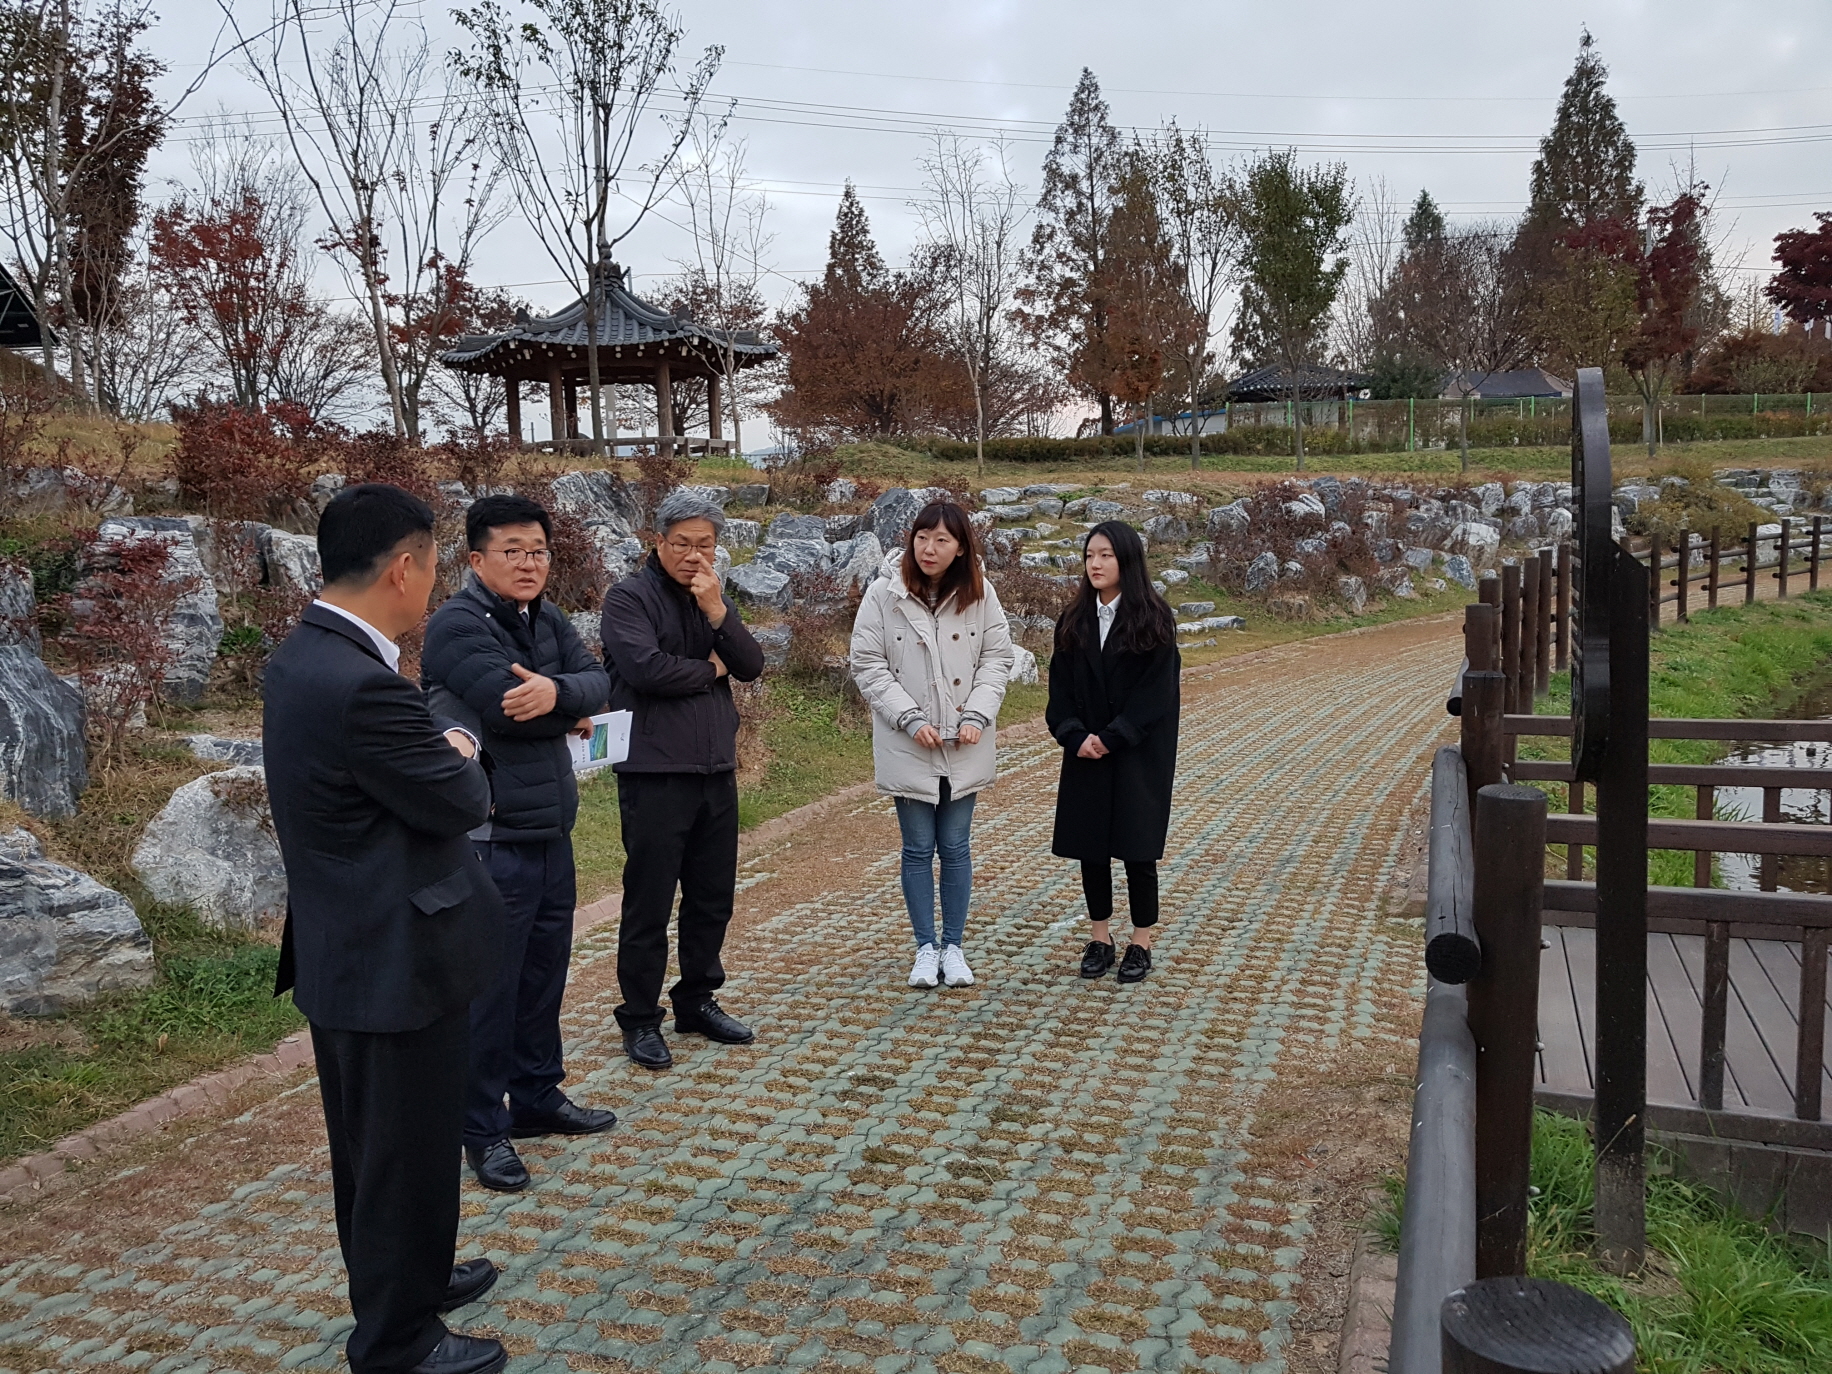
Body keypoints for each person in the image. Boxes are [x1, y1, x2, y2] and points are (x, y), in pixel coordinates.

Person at [265, 484, 509, 1374]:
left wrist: (431, 744)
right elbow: (460, 799)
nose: (432, 587)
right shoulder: (361, 685)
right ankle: (399, 1341)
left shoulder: (304, 656)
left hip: (353, 948)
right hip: (393, 959)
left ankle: (413, 1277)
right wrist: (460, 749)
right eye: (435, 567)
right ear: (404, 568)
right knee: (397, 1157)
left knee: (380, 1149)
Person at [421, 493, 616, 1195]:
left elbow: (602, 682)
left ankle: (537, 1095)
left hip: (548, 829)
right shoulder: (455, 625)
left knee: (542, 977)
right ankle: (482, 1127)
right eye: (513, 551)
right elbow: (506, 710)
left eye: (538, 551)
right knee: (492, 991)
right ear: (476, 559)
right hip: (491, 836)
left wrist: (561, 696)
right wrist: (566, 707)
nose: (529, 563)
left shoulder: (549, 618)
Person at [599, 490, 765, 1070]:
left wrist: (719, 613)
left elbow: (751, 663)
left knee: (711, 897)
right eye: (682, 543)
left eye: (705, 545)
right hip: (653, 771)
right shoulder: (628, 598)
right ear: (658, 541)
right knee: (649, 901)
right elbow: (645, 669)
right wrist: (709, 669)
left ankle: (697, 999)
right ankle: (640, 1018)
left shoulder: (710, 597)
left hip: (716, 768)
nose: (693, 555)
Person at [851, 500, 1015, 989]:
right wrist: (907, 717)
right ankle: (925, 947)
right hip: (910, 741)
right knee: (918, 848)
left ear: (960, 547)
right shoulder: (884, 594)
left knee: (957, 847)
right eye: (922, 537)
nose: (929, 548)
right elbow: (868, 663)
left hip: (966, 739)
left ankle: (955, 947)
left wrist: (979, 714)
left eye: (942, 539)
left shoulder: (981, 594)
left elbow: (997, 658)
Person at [1046, 519, 1181, 985]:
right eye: (1089, 556)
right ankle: (1100, 937)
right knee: (1092, 848)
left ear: (1126, 560)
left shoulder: (1154, 620)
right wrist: (1073, 734)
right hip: (1085, 752)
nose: (1096, 564)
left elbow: (1155, 696)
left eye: (1105, 555)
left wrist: (1115, 735)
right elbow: (1059, 691)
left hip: (1137, 754)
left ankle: (1140, 942)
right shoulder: (1073, 620)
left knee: (1137, 850)